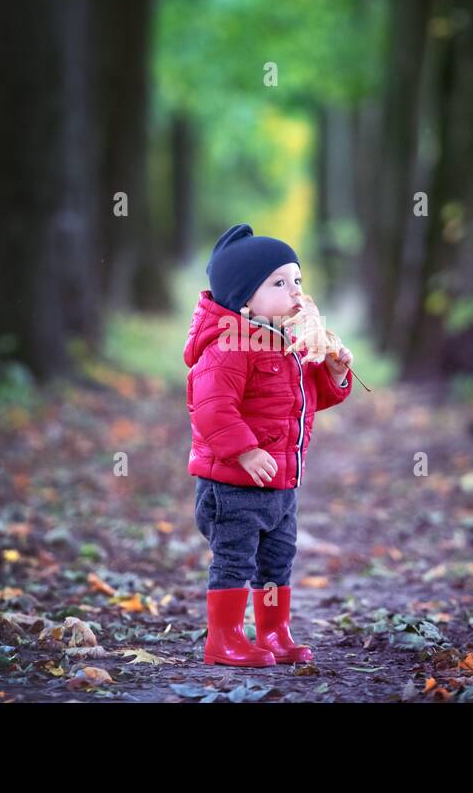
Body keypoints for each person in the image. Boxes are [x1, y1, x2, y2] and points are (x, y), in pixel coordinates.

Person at [182, 223, 354, 666]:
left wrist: (334, 373)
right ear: (244, 299)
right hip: (234, 486)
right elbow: (211, 408)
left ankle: (275, 631)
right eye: (278, 283)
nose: (295, 291)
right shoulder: (228, 346)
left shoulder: (291, 344)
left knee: (277, 561)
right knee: (235, 560)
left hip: (281, 484)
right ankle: (224, 637)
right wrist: (245, 449)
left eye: (297, 280)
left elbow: (307, 399)